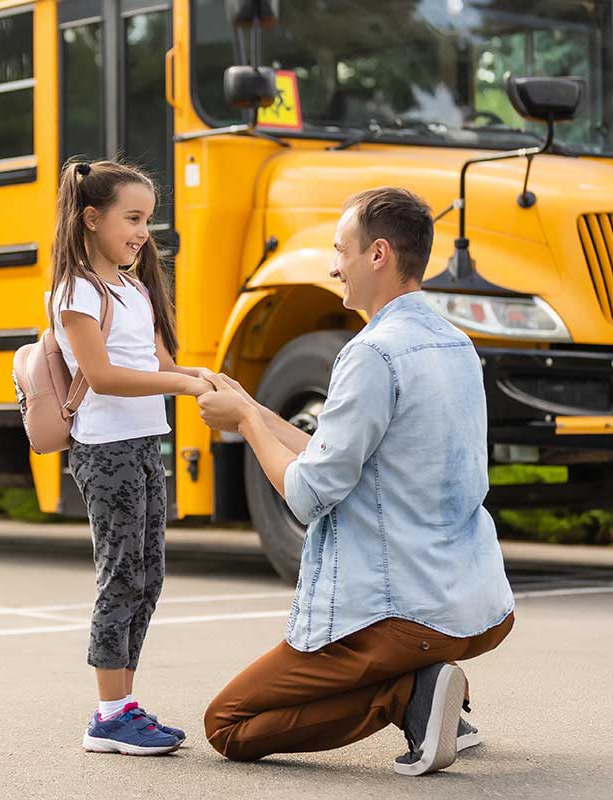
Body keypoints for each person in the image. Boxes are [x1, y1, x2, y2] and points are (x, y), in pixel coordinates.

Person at [197, 187, 515, 776]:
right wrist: (254, 407)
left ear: (378, 255)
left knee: (227, 724)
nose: (332, 264)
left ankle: (410, 696)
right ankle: (435, 698)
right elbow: (338, 455)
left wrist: (243, 422)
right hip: (478, 606)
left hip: (400, 616)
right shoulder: (458, 344)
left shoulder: (372, 354)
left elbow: (307, 493)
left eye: (341, 250)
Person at [51, 159, 213, 756]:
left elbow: (161, 367)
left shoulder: (135, 287)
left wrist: (201, 377)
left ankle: (124, 705)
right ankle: (108, 714)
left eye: (148, 220)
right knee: (119, 575)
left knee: (148, 576)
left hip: (145, 445)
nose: (143, 232)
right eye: (133, 218)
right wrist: (183, 387)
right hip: (106, 450)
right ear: (92, 219)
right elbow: (102, 376)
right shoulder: (76, 291)